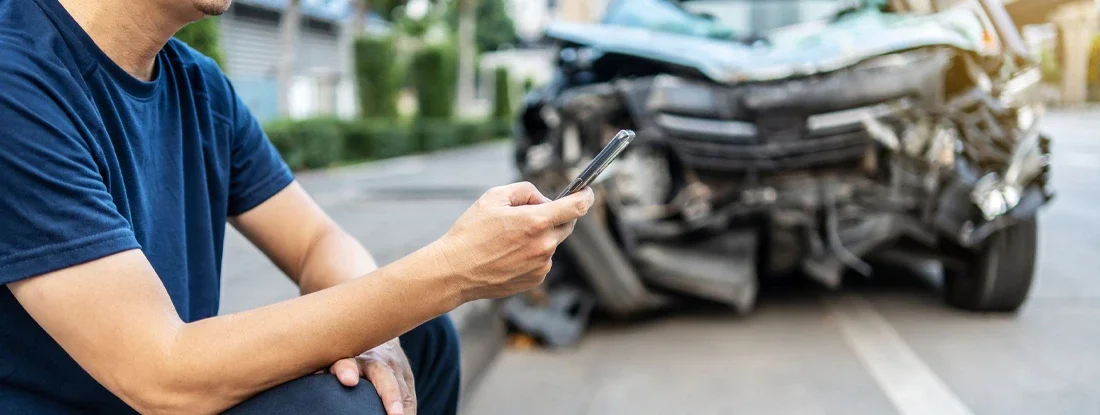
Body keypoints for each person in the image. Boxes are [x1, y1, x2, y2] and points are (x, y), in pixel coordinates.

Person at [0, 0, 596, 414]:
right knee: (338, 405)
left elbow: (317, 244)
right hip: (141, 395)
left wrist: (379, 337)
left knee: (419, 342)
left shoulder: (198, 86)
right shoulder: (17, 79)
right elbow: (161, 374)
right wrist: (453, 272)